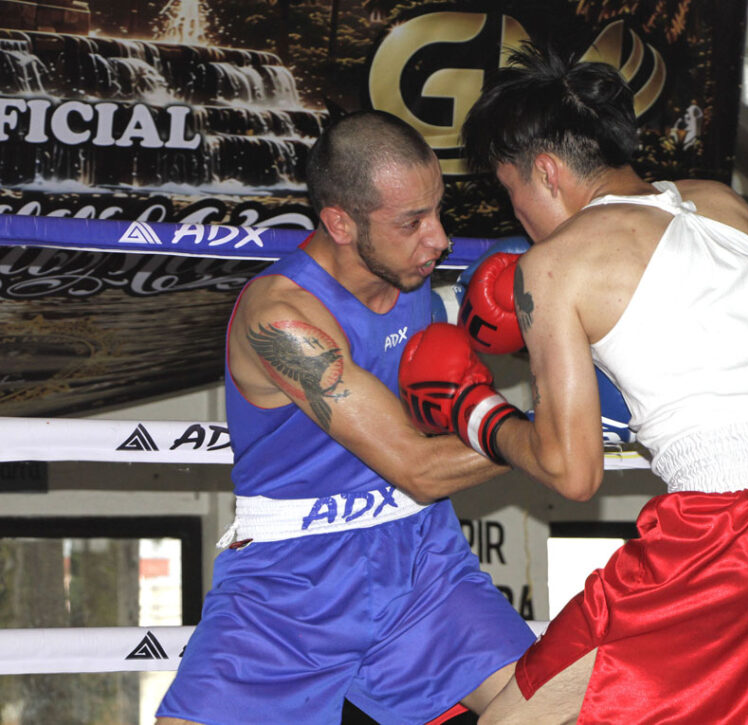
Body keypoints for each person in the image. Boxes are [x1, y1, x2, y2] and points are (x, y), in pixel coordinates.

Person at [399, 45, 748, 724]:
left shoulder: (553, 264)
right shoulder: (723, 204)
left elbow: (572, 470)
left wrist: (473, 410)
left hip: (731, 533)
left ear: (545, 171)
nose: (515, 213)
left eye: (509, 189)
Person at [155, 110, 537, 725]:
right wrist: (553, 431)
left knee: (555, 704)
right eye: (412, 222)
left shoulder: (410, 278)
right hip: (292, 585)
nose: (439, 239)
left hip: (421, 560)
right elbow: (418, 468)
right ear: (339, 222)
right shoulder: (280, 319)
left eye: (437, 211)